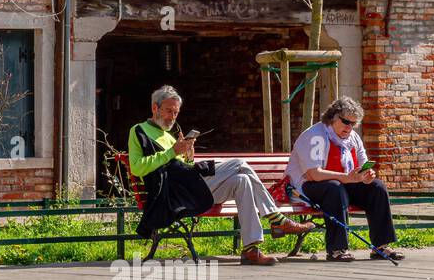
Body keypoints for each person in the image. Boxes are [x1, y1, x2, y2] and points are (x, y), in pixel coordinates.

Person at [128, 85, 311, 265]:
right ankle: (276, 219)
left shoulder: (170, 136)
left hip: (191, 190)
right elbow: (137, 168)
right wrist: (172, 151)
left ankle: (251, 249)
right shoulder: (139, 131)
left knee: (242, 180)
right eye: (169, 111)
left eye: (176, 113)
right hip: (173, 195)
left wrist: (189, 156)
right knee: (239, 164)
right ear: (154, 107)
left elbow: (181, 168)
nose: (172, 117)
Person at [286, 96, 401, 262]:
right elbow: (314, 174)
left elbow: (362, 165)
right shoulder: (315, 136)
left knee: (377, 187)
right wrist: (347, 178)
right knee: (334, 188)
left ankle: (381, 246)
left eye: (353, 123)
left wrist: (366, 177)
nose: (349, 127)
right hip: (305, 187)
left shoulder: (353, 137)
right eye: (345, 121)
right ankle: (337, 249)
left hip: (342, 183)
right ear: (333, 117)